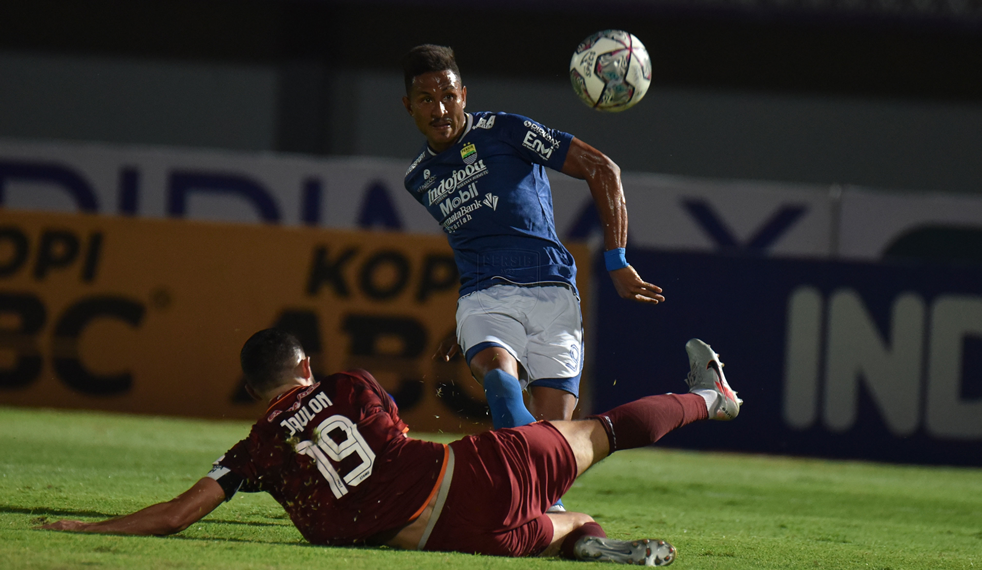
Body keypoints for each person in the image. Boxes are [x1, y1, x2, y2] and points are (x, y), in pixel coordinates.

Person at [40, 328, 741, 565]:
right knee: (602, 431)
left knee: (574, 526)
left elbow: (176, 516)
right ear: (305, 366)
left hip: (447, 541)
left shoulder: (255, 450)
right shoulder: (346, 383)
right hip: (475, 474)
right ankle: (715, 398)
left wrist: (89, 527)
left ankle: (585, 544)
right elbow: (395, 437)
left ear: (256, 391)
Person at [401, 44, 666, 438]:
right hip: (486, 297)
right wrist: (468, 326)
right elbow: (471, 239)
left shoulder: (506, 131)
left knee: (552, 441)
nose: (440, 111)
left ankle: (541, 477)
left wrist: (617, 260)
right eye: (426, 100)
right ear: (409, 106)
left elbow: (602, 169)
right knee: (498, 377)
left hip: (552, 292)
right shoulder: (418, 178)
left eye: (448, 97)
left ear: (464, 96)